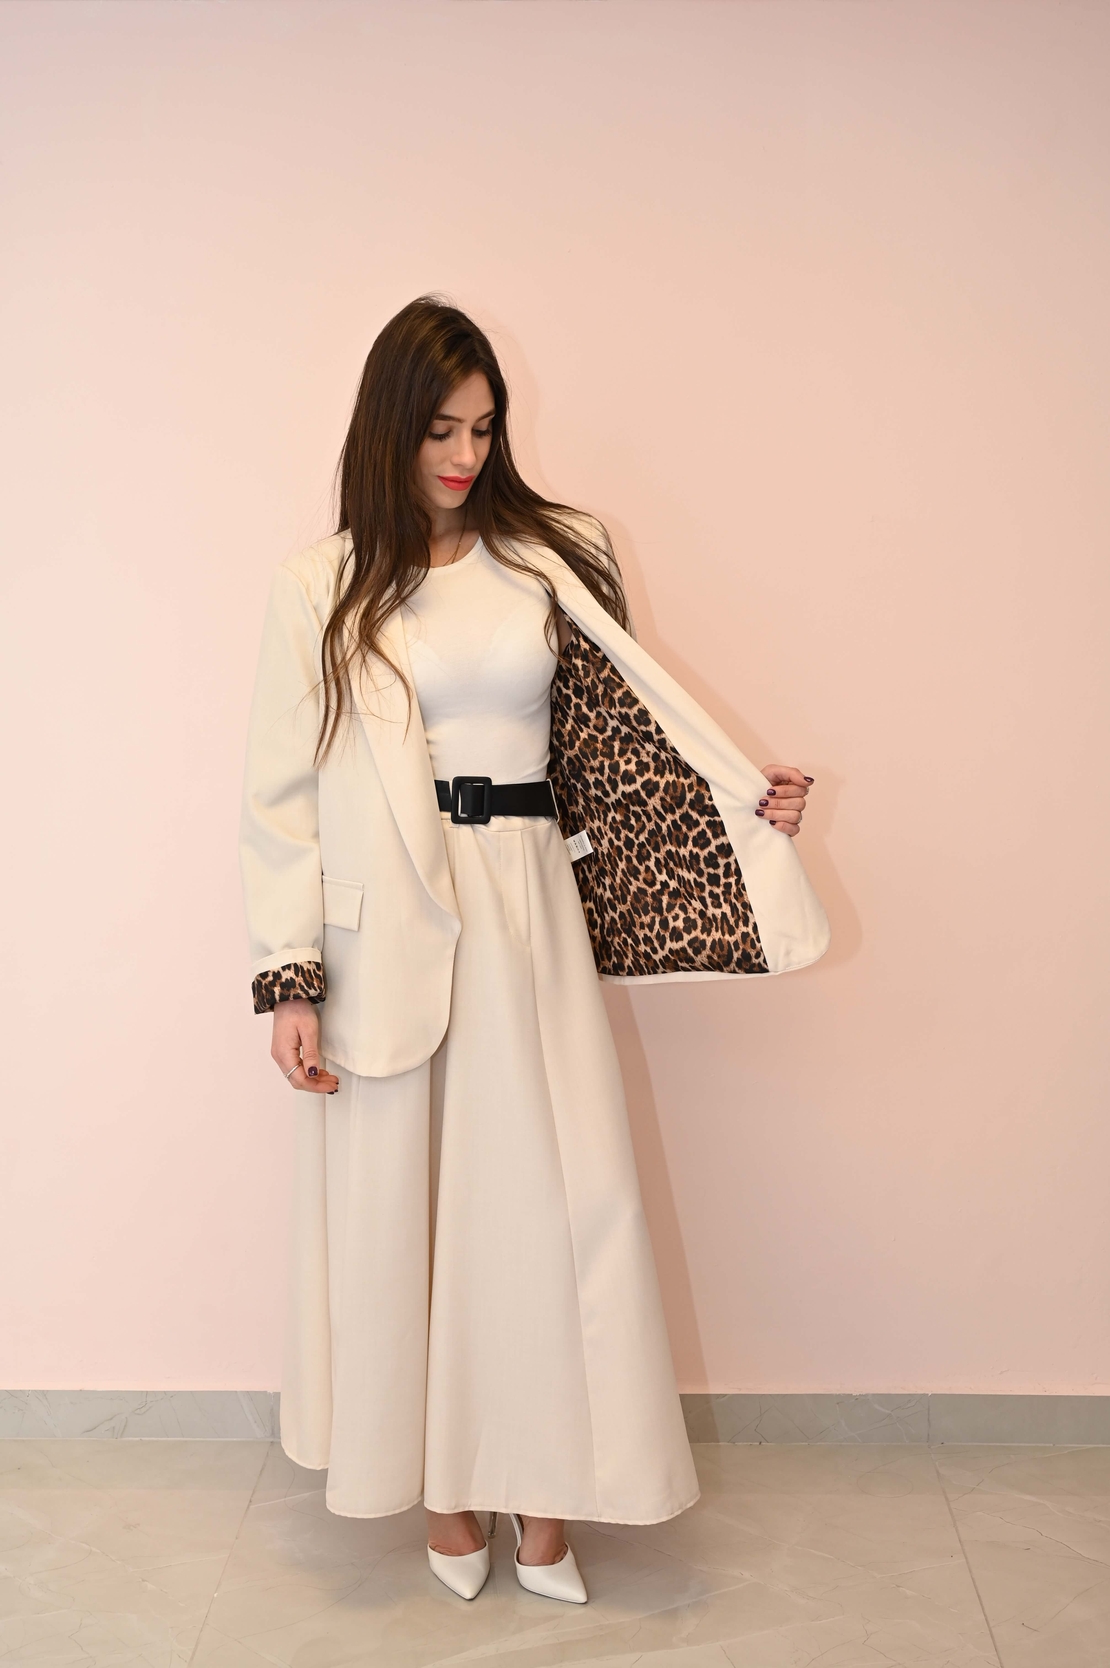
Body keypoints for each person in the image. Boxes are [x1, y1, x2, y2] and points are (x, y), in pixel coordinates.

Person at [239, 296, 830, 1604]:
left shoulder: (558, 554)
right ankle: (446, 1494)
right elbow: (279, 802)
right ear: (389, 428)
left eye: (483, 428)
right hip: (387, 930)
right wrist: (290, 979)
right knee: (414, 1214)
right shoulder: (317, 586)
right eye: (439, 430)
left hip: (526, 908)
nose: (464, 455)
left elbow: (621, 740)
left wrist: (742, 805)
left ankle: (548, 1491)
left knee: (554, 1208)